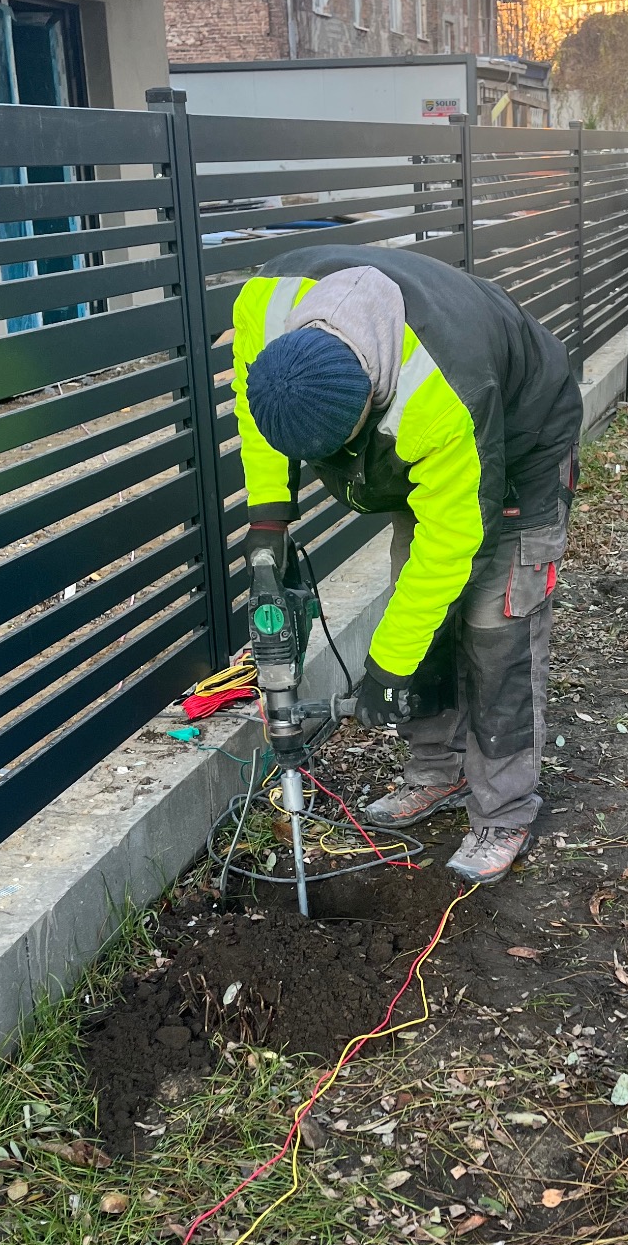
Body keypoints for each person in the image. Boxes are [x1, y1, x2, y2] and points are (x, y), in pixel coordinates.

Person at [230, 241, 582, 885]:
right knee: (416, 613)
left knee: (495, 628)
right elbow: (258, 419)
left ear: (371, 405)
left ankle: (504, 811)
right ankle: (437, 771)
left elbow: (452, 543)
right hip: (432, 460)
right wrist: (268, 518)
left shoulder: (440, 395)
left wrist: (386, 668)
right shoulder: (265, 305)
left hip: (522, 442)